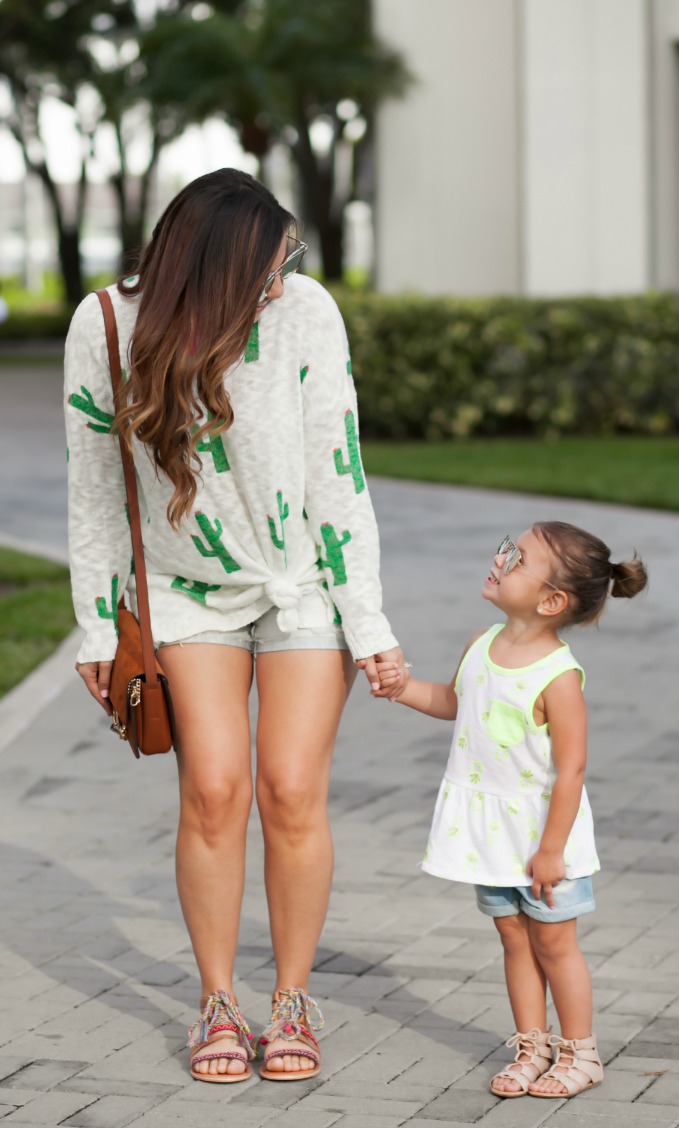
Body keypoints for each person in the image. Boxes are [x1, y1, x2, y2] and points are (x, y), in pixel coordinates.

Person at [64, 168, 405, 1084]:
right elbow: (95, 489)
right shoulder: (107, 326)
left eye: (288, 257)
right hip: (183, 594)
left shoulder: (305, 312)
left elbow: (341, 469)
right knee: (214, 791)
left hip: (301, 585)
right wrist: (98, 628)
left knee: (292, 790)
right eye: (270, 260)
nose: (282, 275)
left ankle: (292, 999)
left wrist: (365, 617)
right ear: (214, 267)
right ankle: (219, 1001)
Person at [372, 521, 647, 1100]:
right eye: (506, 548)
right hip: (489, 833)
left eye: (517, 559)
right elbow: (453, 701)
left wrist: (551, 850)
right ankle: (532, 1044)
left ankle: (581, 1052)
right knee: (514, 939)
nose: (500, 560)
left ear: (551, 601)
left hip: (545, 836)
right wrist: (401, 688)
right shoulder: (481, 642)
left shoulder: (559, 676)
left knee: (554, 944)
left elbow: (570, 770)